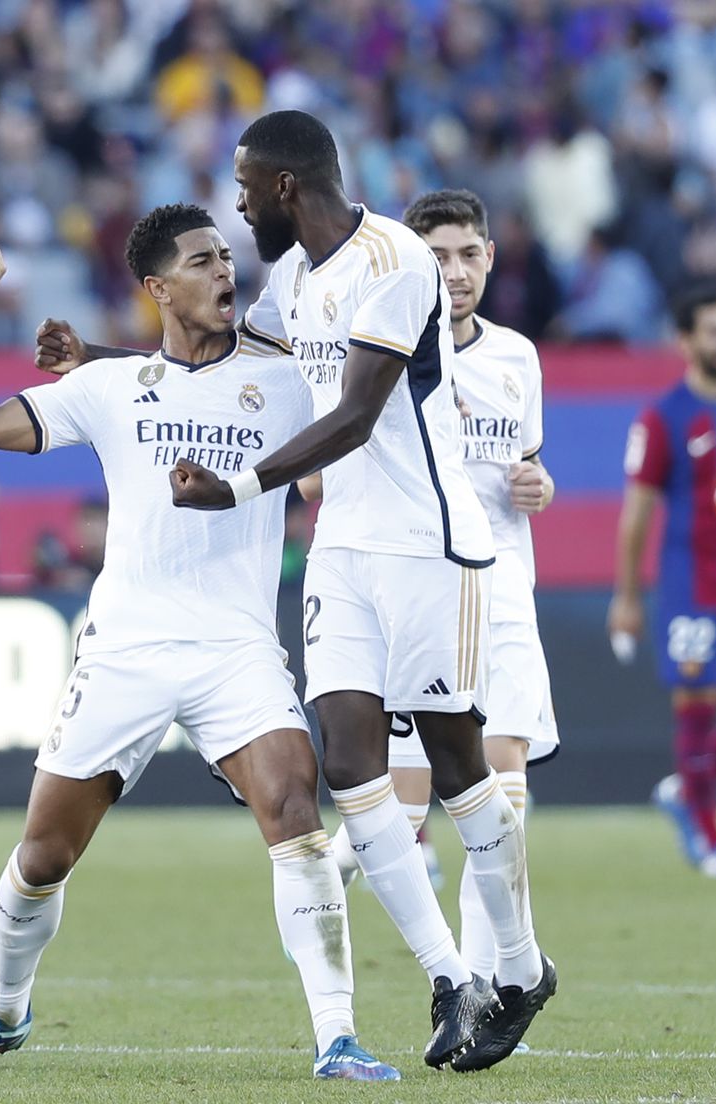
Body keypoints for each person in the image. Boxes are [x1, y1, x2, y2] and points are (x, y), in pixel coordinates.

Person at [38, 112, 554, 1072]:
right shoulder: (293, 279)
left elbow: (357, 415)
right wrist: (104, 363)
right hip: (343, 553)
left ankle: (521, 968)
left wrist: (234, 486)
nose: (236, 207)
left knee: (455, 765)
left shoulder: (394, 262)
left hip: (429, 547)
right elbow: (228, 362)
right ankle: (452, 978)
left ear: (283, 186)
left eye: (243, 189)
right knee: (351, 767)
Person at [0, 207, 399, 1081]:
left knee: (297, 813)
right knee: (42, 858)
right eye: (202, 261)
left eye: (227, 256)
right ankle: (3, 1010)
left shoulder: (289, 378)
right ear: (156, 289)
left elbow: (371, 400)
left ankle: (337, 1036)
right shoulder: (112, 389)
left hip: (237, 650)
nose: (225, 272)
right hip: (125, 652)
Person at [307, 190, 560, 989]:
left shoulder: (516, 356)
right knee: (406, 800)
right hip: (413, 580)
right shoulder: (374, 349)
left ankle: (491, 985)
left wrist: (536, 485)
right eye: (438, 256)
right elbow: (322, 472)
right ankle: (324, 886)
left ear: (489, 257)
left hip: (504, 585)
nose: (454, 272)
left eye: (468, 254)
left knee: (502, 778)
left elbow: (523, 463)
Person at [609, 286, 716, 878]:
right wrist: (627, 595)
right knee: (699, 703)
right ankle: (710, 838)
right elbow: (637, 512)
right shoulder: (664, 417)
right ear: (685, 342)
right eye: (714, 331)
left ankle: (684, 792)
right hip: (689, 586)